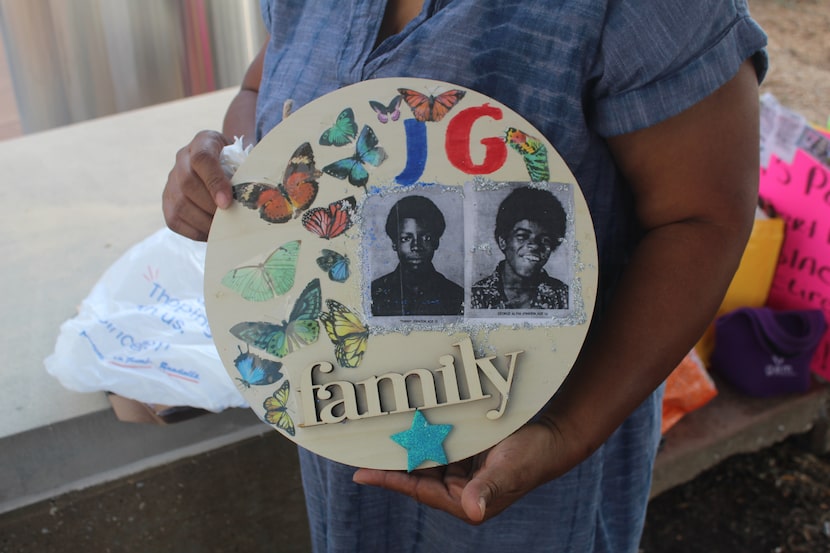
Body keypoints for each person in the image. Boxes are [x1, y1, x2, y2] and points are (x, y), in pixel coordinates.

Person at [163, 1, 767, 551]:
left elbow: (703, 216)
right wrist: (226, 166)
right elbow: (260, 86)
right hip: (345, 422)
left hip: (532, 453)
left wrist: (568, 427)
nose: (415, 244)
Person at [471, 186, 568, 310]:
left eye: (545, 240)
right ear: (503, 242)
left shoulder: (564, 296)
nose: (534, 245)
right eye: (522, 236)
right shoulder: (476, 296)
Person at [371, 195, 464, 316]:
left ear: (436, 242)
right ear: (394, 243)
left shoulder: (456, 296)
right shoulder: (373, 293)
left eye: (426, 238)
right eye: (406, 238)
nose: (416, 246)